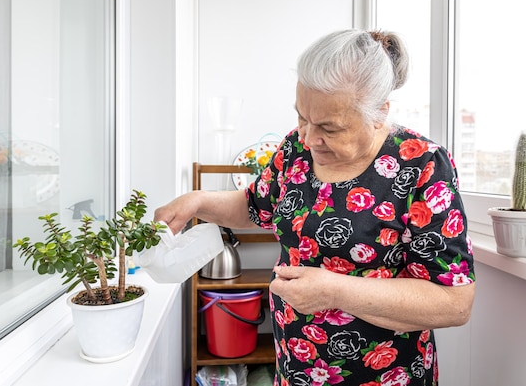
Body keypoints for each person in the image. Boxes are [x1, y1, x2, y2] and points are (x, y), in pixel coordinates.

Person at [155, 29, 475, 386]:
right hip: (295, 370)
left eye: (330, 128)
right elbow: (253, 205)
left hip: (386, 375)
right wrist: (197, 200)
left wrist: (335, 291)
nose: (309, 137)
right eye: (302, 118)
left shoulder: (421, 164)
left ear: (379, 113)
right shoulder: (295, 149)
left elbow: (453, 302)